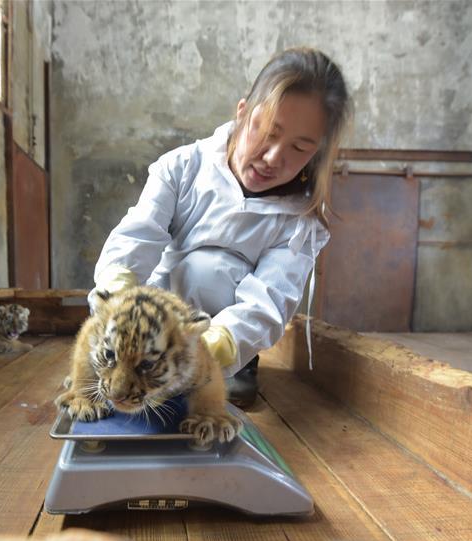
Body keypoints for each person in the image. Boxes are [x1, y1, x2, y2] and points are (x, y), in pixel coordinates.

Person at [90, 47, 352, 408]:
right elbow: (138, 235)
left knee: (210, 270)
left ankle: (234, 368)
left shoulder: (299, 220)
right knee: (178, 272)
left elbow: (269, 299)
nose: (274, 157)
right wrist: (117, 300)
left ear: (316, 154)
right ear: (243, 111)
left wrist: (222, 342)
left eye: (300, 148)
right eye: (268, 131)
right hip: (155, 322)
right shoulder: (182, 166)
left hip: (219, 329)